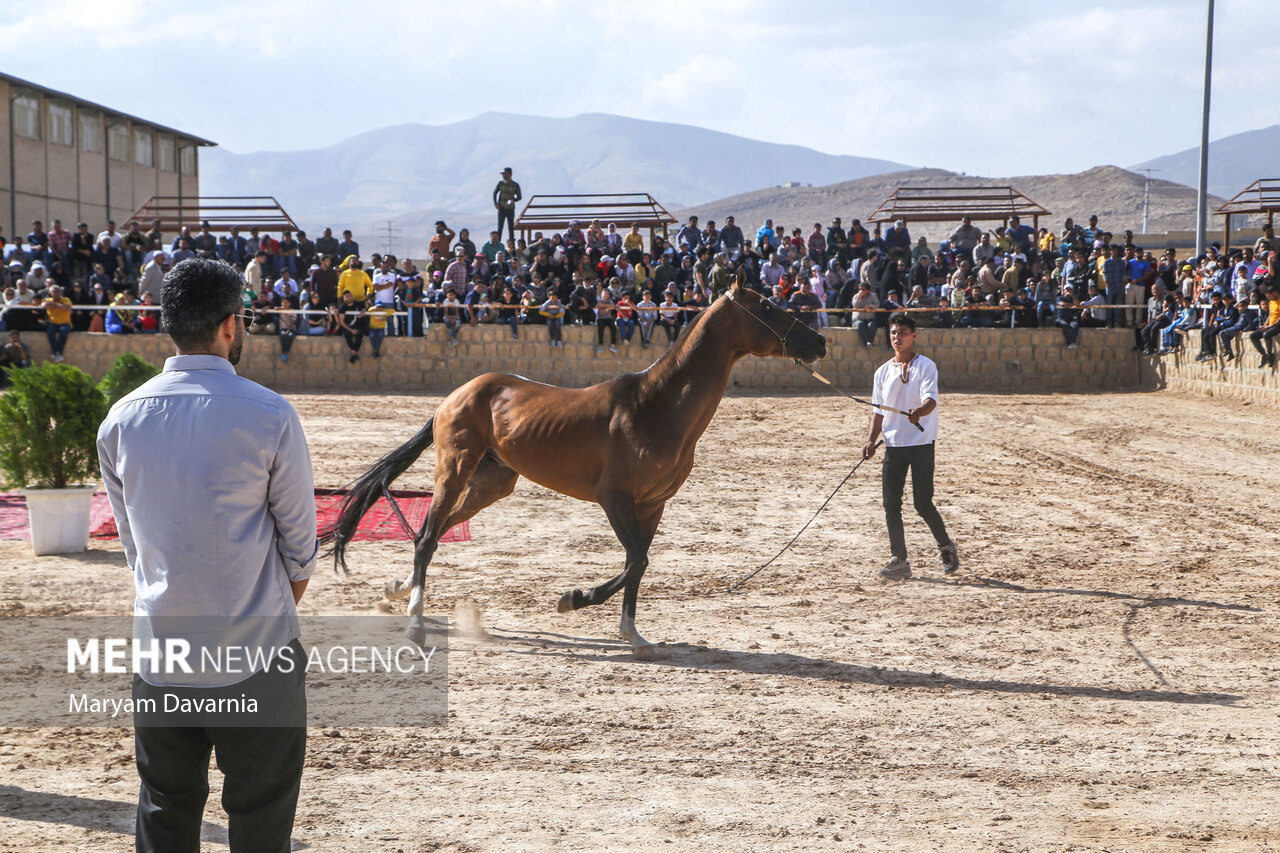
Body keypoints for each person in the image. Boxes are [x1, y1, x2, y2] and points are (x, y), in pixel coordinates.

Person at [96, 257, 314, 853]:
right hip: (258, 654)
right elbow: (300, 550)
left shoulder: (121, 420)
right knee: (261, 821)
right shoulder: (270, 414)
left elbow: (136, 549)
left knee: (165, 811)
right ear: (229, 324)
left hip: (162, 652)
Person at [861, 312, 958, 581]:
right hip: (893, 445)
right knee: (890, 503)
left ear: (913, 336)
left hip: (921, 442)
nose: (897, 337)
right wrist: (871, 439)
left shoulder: (926, 366)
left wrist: (920, 411)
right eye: (893, 333)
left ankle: (945, 547)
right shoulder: (882, 372)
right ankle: (899, 559)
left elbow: (931, 400)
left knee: (922, 503)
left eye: (902, 332)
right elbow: (878, 411)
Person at [41, 284, 73, 362]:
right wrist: (60, 306)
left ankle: (58, 352)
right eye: (54, 291)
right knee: (50, 333)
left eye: (58, 291)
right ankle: (56, 353)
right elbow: (44, 306)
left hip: (65, 323)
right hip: (53, 323)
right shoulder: (48, 300)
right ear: (50, 293)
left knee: (63, 332)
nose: (56, 293)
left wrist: (56, 304)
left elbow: (68, 309)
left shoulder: (66, 299)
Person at [493, 167, 522, 241]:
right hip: (501, 208)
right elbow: (494, 193)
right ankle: (498, 243)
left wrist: (513, 200)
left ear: (509, 174)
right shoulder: (501, 183)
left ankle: (512, 244)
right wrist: (496, 203)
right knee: (500, 227)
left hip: (510, 208)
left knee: (511, 227)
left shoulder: (515, 185)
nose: (503, 176)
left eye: (505, 174)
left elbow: (519, 197)